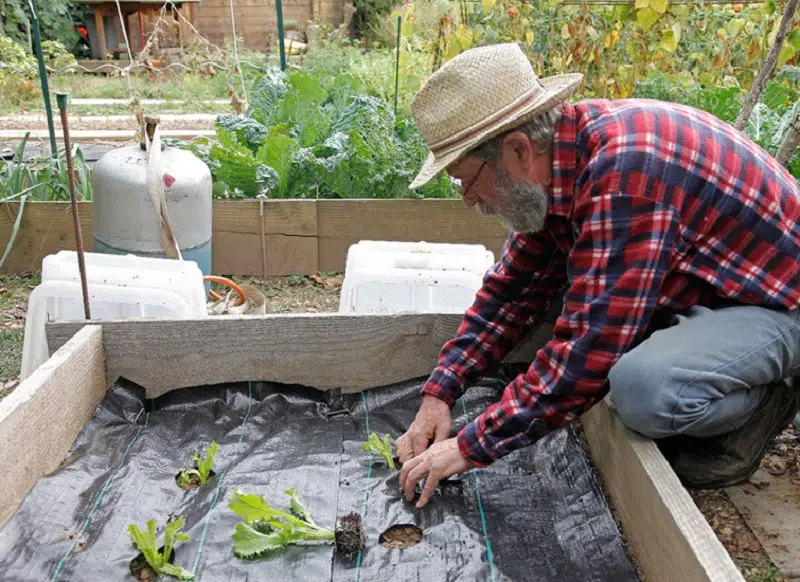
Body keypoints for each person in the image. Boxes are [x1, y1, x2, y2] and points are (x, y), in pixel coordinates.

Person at [396, 42, 800, 509]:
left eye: (467, 179)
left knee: (642, 389)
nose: (468, 197)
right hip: (712, 287)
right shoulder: (558, 165)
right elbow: (510, 293)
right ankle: (709, 360)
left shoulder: (625, 175)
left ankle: (760, 402)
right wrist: (439, 393)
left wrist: (469, 446)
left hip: (777, 303)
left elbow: (588, 351)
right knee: (550, 304)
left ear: (517, 149)